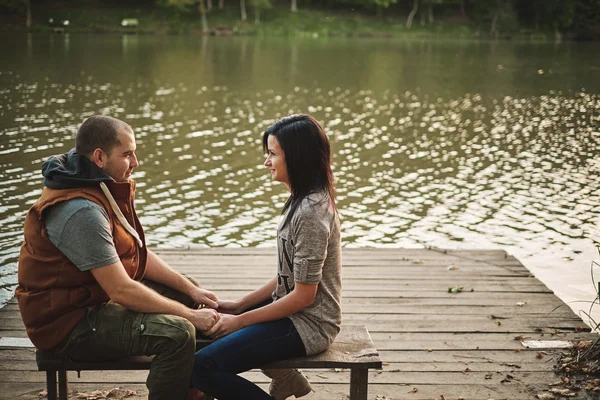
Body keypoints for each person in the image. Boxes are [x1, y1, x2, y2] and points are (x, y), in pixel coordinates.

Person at [15, 115, 220, 400]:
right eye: (127, 154)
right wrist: (192, 316)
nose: (135, 162)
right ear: (99, 157)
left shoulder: (97, 183)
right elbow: (120, 289)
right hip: (66, 325)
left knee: (185, 289)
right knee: (179, 332)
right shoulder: (81, 211)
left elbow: (135, 254)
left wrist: (190, 290)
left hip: (90, 299)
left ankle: (187, 390)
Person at [192, 114, 342, 400]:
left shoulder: (311, 212)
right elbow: (289, 276)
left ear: (296, 157)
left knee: (202, 367)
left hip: (309, 325)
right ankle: (287, 380)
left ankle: (284, 379)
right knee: (201, 340)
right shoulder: (301, 200)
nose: (266, 162)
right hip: (293, 313)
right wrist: (238, 306)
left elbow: (303, 297)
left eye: (273, 154)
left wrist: (240, 321)